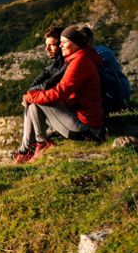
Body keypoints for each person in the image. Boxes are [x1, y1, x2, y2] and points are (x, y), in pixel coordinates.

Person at [13, 25, 104, 164]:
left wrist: (31, 96)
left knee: (36, 101)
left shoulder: (81, 62)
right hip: (80, 118)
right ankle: (32, 147)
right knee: (34, 104)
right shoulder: (77, 58)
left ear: (75, 43)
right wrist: (33, 95)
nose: (61, 45)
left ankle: (38, 145)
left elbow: (60, 92)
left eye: (64, 42)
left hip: (86, 128)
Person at [28, 26, 66, 91]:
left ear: (61, 45)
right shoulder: (53, 67)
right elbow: (33, 87)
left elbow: (46, 85)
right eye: (46, 45)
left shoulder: (67, 64)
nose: (47, 49)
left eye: (52, 45)